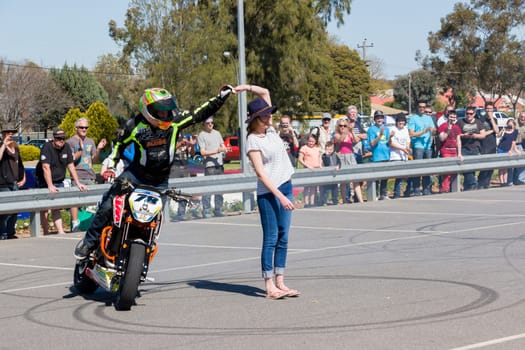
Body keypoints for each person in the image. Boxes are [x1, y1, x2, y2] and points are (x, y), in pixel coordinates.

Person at [74, 85, 234, 259]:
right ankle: (89, 241)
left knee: (154, 221)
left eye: (168, 110)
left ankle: (140, 256)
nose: (165, 115)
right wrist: (110, 166)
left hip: (160, 181)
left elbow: (199, 113)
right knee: (108, 203)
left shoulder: (175, 122)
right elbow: (118, 146)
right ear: (148, 109)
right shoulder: (134, 126)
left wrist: (221, 97)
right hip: (135, 175)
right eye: (161, 111)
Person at [236, 83, 299, 300]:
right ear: (256, 119)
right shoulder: (252, 140)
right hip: (269, 193)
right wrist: (280, 196)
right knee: (271, 237)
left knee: (284, 237)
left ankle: (281, 280)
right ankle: (269, 284)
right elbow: (261, 174)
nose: (270, 116)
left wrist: (244, 87)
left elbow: (265, 92)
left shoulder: (271, 131)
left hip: (286, 185)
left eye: (269, 113)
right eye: (265, 114)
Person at [36, 128, 88, 235]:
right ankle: (45, 231)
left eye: (63, 138)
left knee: (56, 207)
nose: (61, 141)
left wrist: (78, 182)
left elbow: (71, 166)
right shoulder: (47, 147)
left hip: (59, 180)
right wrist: (50, 185)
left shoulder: (66, 147)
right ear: (53, 139)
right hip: (44, 181)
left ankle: (60, 231)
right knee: (45, 208)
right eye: (58, 138)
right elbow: (46, 167)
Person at [66, 118, 106, 231]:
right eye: (82, 127)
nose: (84, 129)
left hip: (90, 175)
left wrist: (98, 149)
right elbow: (71, 160)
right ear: (76, 128)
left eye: (86, 127)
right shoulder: (71, 142)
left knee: (92, 202)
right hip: (77, 175)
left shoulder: (91, 141)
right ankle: (75, 224)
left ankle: (90, 224)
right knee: (75, 200)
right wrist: (80, 149)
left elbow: (95, 160)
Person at [0, 123, 26, 240]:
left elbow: (19, 163)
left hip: (15, 182)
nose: (10, 134)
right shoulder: (1, 146)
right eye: (8, 132)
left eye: (12, 132)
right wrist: (4, 146)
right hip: (4, 183)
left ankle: (10, 233)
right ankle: (3, 233)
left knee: (15, 210)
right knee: (5, 211)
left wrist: (23, 177)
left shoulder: (15, 147)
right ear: (3, 134)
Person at [197, 116, 226, 218]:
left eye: (212, 123)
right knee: (208, 189)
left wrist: (224, 149)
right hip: (210, 166)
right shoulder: (202, 135)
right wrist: (217, 151)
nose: (210, 125)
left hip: (220, 165)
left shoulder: (217, 133)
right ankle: (206, 210)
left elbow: (222, 146)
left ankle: (218, 209)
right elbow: (203, 152)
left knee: (220, 189)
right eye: (208, 123)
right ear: (204, 124)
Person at [406, 101, 435, 196]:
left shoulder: (429, 118)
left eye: (424, 107)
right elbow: (411, 133)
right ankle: (416, 190)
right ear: (417, 107)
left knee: (427, 169)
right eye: (420, 106)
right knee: (418, 169)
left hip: (428, 146)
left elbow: (433, 130)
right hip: (418, 146)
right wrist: (424, 131)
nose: (422, 108)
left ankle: (426, 189)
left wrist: (433, 131)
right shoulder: (413, 118)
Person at [333, 117, 363, 203]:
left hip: (351, 156)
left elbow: (356, 140)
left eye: (344, 125)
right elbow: (340, 140)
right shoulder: (336, 134)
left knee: (355, 180)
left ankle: (360, 200)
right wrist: (346, 131)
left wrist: (352, 131)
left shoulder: (349, 133)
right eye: (341, 125)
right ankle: (344, 200)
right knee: (343, 181)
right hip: (342, 156)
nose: (343, 127)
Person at [457, 106, 486, 191]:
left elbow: (483, 135)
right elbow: (456, 134)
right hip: (464, 148)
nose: (469, 115)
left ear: (474, 114)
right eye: (467, 113)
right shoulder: (460, 122)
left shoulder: (478, 122)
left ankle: (468, 188)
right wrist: (464, 135)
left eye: (471, 113)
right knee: (465, 168)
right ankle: (473, 183)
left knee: (471, 169)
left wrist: (475, 135)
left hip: (475, 148)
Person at [170, 133, 196, 221]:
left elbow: (192, 154)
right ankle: (166, 213)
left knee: (184, 192)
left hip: (185, 167)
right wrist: (179, 144)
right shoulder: (171, 137)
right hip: (174, 167)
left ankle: (181, 213)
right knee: (171, 191)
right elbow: (169, 151)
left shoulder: (185, 138)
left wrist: (192, 145)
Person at [437, 109, 463, 193]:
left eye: (454, 117)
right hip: (445, 151)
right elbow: (442, 138)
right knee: (447, 172)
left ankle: (452, 188)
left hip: (454, 151)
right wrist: (448, 130)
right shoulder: (443, 126)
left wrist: (459, 153)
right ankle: (444, 189)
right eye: (451, 117)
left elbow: (458, 141)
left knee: (454, 171)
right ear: (448, 117)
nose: (452, 119)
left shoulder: (457, 127)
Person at [367, 110, 391, 200]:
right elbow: (372, 143)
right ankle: (375, 194)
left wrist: (391, 138)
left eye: (381, 117)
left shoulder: (387, 129)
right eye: (377, 117)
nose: (379, 119)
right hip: (377, 157)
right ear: (374, 119)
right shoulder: (371, 129)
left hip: (386, 155)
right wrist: (379, 136)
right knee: (377, 177)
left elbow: (388, 143)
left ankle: (383, 194)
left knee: (385, 177)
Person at [388, 115, 411, 198]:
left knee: (405, 177)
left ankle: (405, 192)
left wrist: (407, 147)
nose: (401, 122)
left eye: (403, 121)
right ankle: (396, 194)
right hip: (395, 156)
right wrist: (402, 148)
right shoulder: (393, 129)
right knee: (399, 177)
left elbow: (408, 141)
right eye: (399, 121)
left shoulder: (405, 129)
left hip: (404, 156)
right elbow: (391, 143)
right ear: (396, 122)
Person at [477, 102, 499, 189]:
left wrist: (491, 119)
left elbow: (497, 131)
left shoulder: (494, 119)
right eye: (487, 109)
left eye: (491, 109)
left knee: (491, 167)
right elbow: (481, 133)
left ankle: (487, 182)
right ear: (485, 109)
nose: (489, 110)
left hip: (492, 145)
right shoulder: (481, 120)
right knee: (484, 166)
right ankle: (480, 182)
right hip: (484, 146)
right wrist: (491, 131)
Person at [298, 133, 322, 207]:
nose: (311, 143)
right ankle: (306, 202)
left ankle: (312, 202)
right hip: (307, 169)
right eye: (309, 141)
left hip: (316, 169)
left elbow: (319, 158)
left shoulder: (317, 148)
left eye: (312, 141)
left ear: (315, 141)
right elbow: (300, 159)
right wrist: (307, 166)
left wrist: (320, 165)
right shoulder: (304, 148)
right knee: (306, 186)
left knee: (313, 187)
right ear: (307, 141)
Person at [497, 119, 521, 186]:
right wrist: (503, 130)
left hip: (508, 149)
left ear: (514, 125)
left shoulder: (515, 131)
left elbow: (513, 142)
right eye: (509, 124)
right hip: (501, 149)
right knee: (501, 167)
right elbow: (498, 136)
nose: (510, 126)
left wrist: (512, 150)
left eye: (511, 125)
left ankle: (505, 181)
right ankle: (502, 182)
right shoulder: (505, 130)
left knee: (506, 167)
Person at [321, 141, 341, 205]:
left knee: (335, 189)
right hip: (326, 176)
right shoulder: (324, 156)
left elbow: (339, 162)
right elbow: (327, 163)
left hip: (333, 175)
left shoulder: (335, 155)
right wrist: (327, 155)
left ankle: (335, 201)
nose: (329, 151)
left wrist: (338, 166)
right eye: (328, 149)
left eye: (331, 149)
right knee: (325, 190)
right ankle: (324, 201)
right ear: (325, 149)